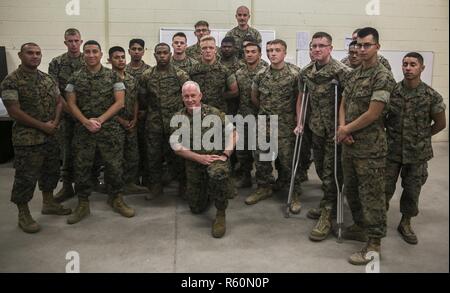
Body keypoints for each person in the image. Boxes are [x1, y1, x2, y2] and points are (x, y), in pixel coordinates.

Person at [336, 27, 396, 265]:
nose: (361, 49)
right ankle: (361, 227)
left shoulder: (382, 76)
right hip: (349, 144)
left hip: (370, 148)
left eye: (366, 45)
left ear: (377, 47)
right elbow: (343, 103)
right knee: (352, 191)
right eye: (358, 45)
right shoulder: (353, 74)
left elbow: (374, 113)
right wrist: (343, 129)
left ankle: (374, 244)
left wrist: (346, 130)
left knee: (372, 197)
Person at [1, 43, 71, 233]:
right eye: (30, 53)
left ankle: (49, 203)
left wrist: (55, 123)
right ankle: (23, 214)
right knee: (26, 177)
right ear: (20, 55)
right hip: (27, 139)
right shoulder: (11, 81)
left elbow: (59, 102)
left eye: (38, 53)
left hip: (50, 135)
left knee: (50, 172)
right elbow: (14, 111)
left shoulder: (47, 79)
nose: (34, 56)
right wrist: (43, 126)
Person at [66, 40, 135, 224]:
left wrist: (100, 120)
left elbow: (120, 102)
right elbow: (71, 103)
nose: (91, 55)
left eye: (94, 51)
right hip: (84, 130)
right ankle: (82, 203)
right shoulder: (75, 77)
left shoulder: (113, 77)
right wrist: (85, 122)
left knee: (114, 166)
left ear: (101, 54)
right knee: (82, 167)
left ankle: (117, 199)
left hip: (110, 130)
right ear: (83, 53)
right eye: (87, 51)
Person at [385, 52, 446, 245]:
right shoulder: (392, 92)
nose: (408, 68)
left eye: (413, 64)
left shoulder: (431, 95)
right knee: (383, 187)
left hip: (417, 153)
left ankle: (406, 222)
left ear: (422, 68)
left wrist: (421, 137)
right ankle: (378, 220)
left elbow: (440, 123)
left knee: (412, 190)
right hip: (392, 150)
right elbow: (383, 118)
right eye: (405, 64)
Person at [295, 32, 351, 241]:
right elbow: (302, 98)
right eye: (313, 46)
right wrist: (300, 122)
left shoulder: (342, 72)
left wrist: (346, 128)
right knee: (320, 169)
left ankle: (328, 213)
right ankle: (328, 202)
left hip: (335, 132)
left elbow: (351, 102)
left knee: (331, 174)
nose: (317, 49)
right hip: (316, 129)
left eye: (321, 46)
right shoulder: (306, 72)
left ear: (330, 48)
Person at [170, 81, 238, 238]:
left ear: (200, 96)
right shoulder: (178, 117)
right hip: (194, 162)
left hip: (215, 160)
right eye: (186, 96)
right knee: (196, 208)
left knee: (217, 174)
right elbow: (175, 145)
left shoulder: (214, 113)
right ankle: (209, 189)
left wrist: (225, 154)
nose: (190, 99)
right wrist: (199, 158)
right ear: (182, 98)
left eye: (193, 95)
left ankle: (221, 212)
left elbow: (234, 133)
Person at [246, 39, 302, 214]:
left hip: (285, 124)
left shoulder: (295, 74)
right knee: (261, 158)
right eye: (270, 50)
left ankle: (293, 193)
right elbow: (255, 98)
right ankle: (264, 187)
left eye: (277, 50)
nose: (273, 53)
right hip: (264, 122)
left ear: (284, 52)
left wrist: (297, 120)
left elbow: (300, 99)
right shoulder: (261, 75)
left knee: (288, 160)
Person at [140, 43, 190, 199]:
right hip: (154, 123)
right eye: (159, 53)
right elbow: (142, 98)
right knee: (153, 157)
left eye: (165, 53)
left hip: (176, 123)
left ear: (170, 54)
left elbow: (188, 98)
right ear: (154, 55)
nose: (162, 56)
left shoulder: (180, 75)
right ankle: (156, 187)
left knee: (179, 157)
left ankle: (183, 186)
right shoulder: (147, 75)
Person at [48, 28, 85, 202]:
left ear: (81, 41)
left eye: (76, 40)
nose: (73, 44)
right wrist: (72, 112)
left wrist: (84, 116)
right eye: (70, 41)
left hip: (86, 116)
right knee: (67, 152)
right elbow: (56, 93)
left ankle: (86, 185)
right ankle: (67, 187)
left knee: (86, 151)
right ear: (65, 42)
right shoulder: (56, 63)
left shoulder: (89, 59)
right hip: (65, 116)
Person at [108, 46, 148, 194]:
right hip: (114, 124)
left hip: (131, 123)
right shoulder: (108, 78)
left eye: (122, 57)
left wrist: (135, 119)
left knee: (132, 155)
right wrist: (120, 120)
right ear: (109, 60)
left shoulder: (131, 78)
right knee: (115, 158)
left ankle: (130, 183)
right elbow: (104, 104)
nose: (120, 60)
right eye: (116, 57)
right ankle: (114, 188)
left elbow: (136, 100)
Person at [234, 41, 267, 188]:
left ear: (259, 54)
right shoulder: (239, 73)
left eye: (253, 51)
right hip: (243, 116)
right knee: (243, 151)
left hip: (262, 118)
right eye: (247, 52)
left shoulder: (266, 72)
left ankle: (264, 182)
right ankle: (246, 176)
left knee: (263, 153)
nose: (250, 54)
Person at [126, 38, 152, 187]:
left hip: (146, 117)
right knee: (130, 151)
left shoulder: (149, 71)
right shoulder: (123, 70)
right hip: (127, 118)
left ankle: (147, 179)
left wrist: (146, 110)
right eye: (133, 49)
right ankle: (132, 180)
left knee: (146, 149)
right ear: (129, 51)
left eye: (139, 49)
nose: (136, 51)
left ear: (143, 51)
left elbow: (153, 94)